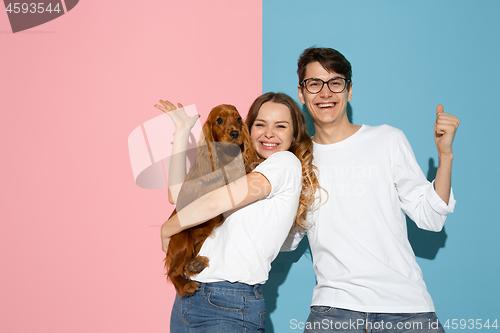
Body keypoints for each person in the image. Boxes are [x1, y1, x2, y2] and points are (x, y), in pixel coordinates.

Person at [281, 47, 460, 332]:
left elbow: (432, 219)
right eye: (314, 84)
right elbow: (288, 241)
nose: (325, 93)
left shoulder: (387, 140)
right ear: (302, 94)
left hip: (406, 309)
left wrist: (445, 156)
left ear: (349, 91)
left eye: (335, 82)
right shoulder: (295, 160)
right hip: (334, 311)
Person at [157, 92, 322, 332]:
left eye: (281, 126)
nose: (269, 133)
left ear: (294, 134)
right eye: (260, 124)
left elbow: (213, 204)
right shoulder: (242, 170)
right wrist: (182, 132)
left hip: (230, 302)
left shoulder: (284, 163)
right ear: (250, 128)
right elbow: (178, 195)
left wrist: (167, 229)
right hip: (190, 295)